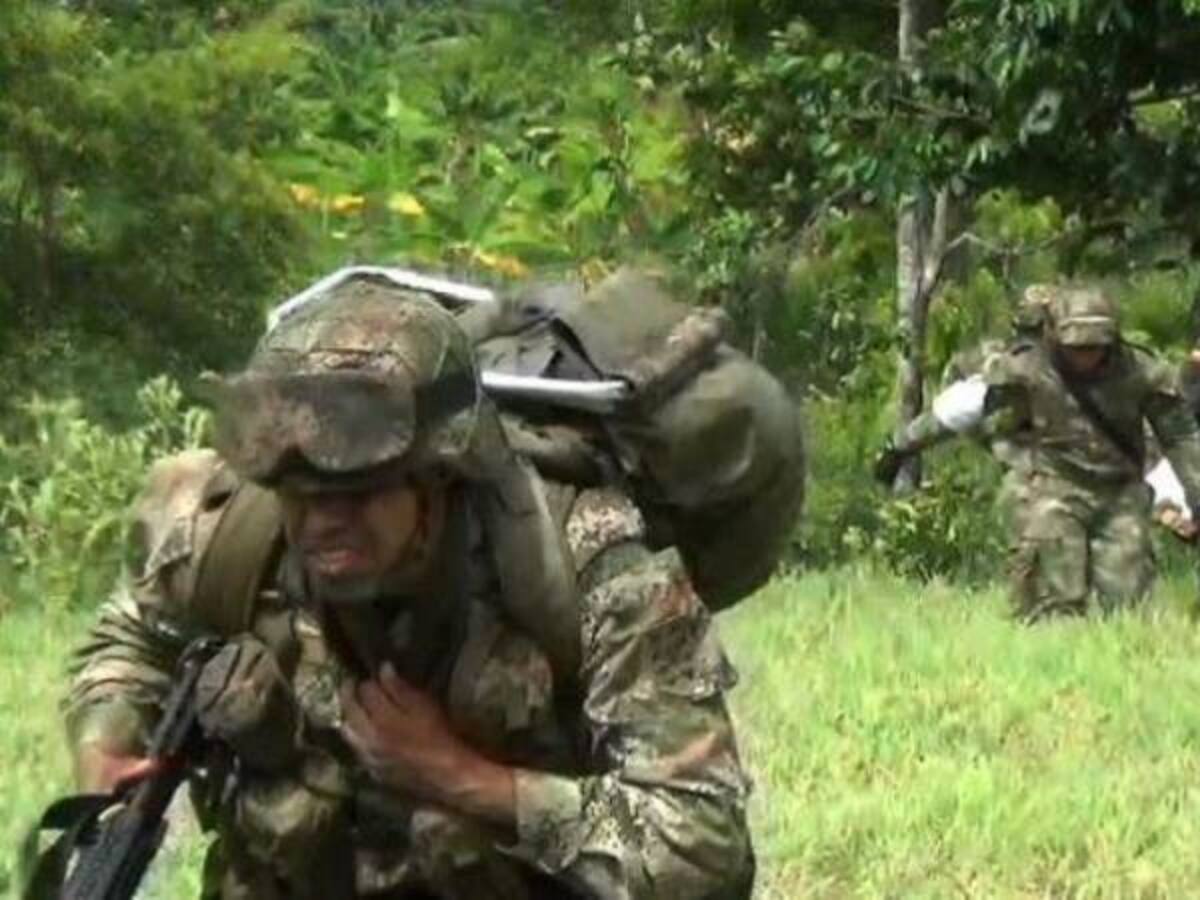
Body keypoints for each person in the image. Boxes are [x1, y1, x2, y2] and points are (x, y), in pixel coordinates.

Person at [63, 275, 756, 899]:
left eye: (357, 494)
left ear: (441, 475)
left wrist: (468, 778)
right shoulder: (231, 533)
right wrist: (107, 736)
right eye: (298, 496)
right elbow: (133, 636)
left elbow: (703, 849)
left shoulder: (590, 564)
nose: (321, 525)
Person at [876, 284, 1200, 621]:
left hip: (1121, 494)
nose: (1085, 356)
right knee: (1056, 602)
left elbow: (1180, 437)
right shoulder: (1024, 369)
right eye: (1076, 346)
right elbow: (957, 412)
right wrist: (899, 448)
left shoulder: (1143, 372)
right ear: (1054, 335)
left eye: (1095, 346)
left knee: (1128, 607)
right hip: (1055, 488)